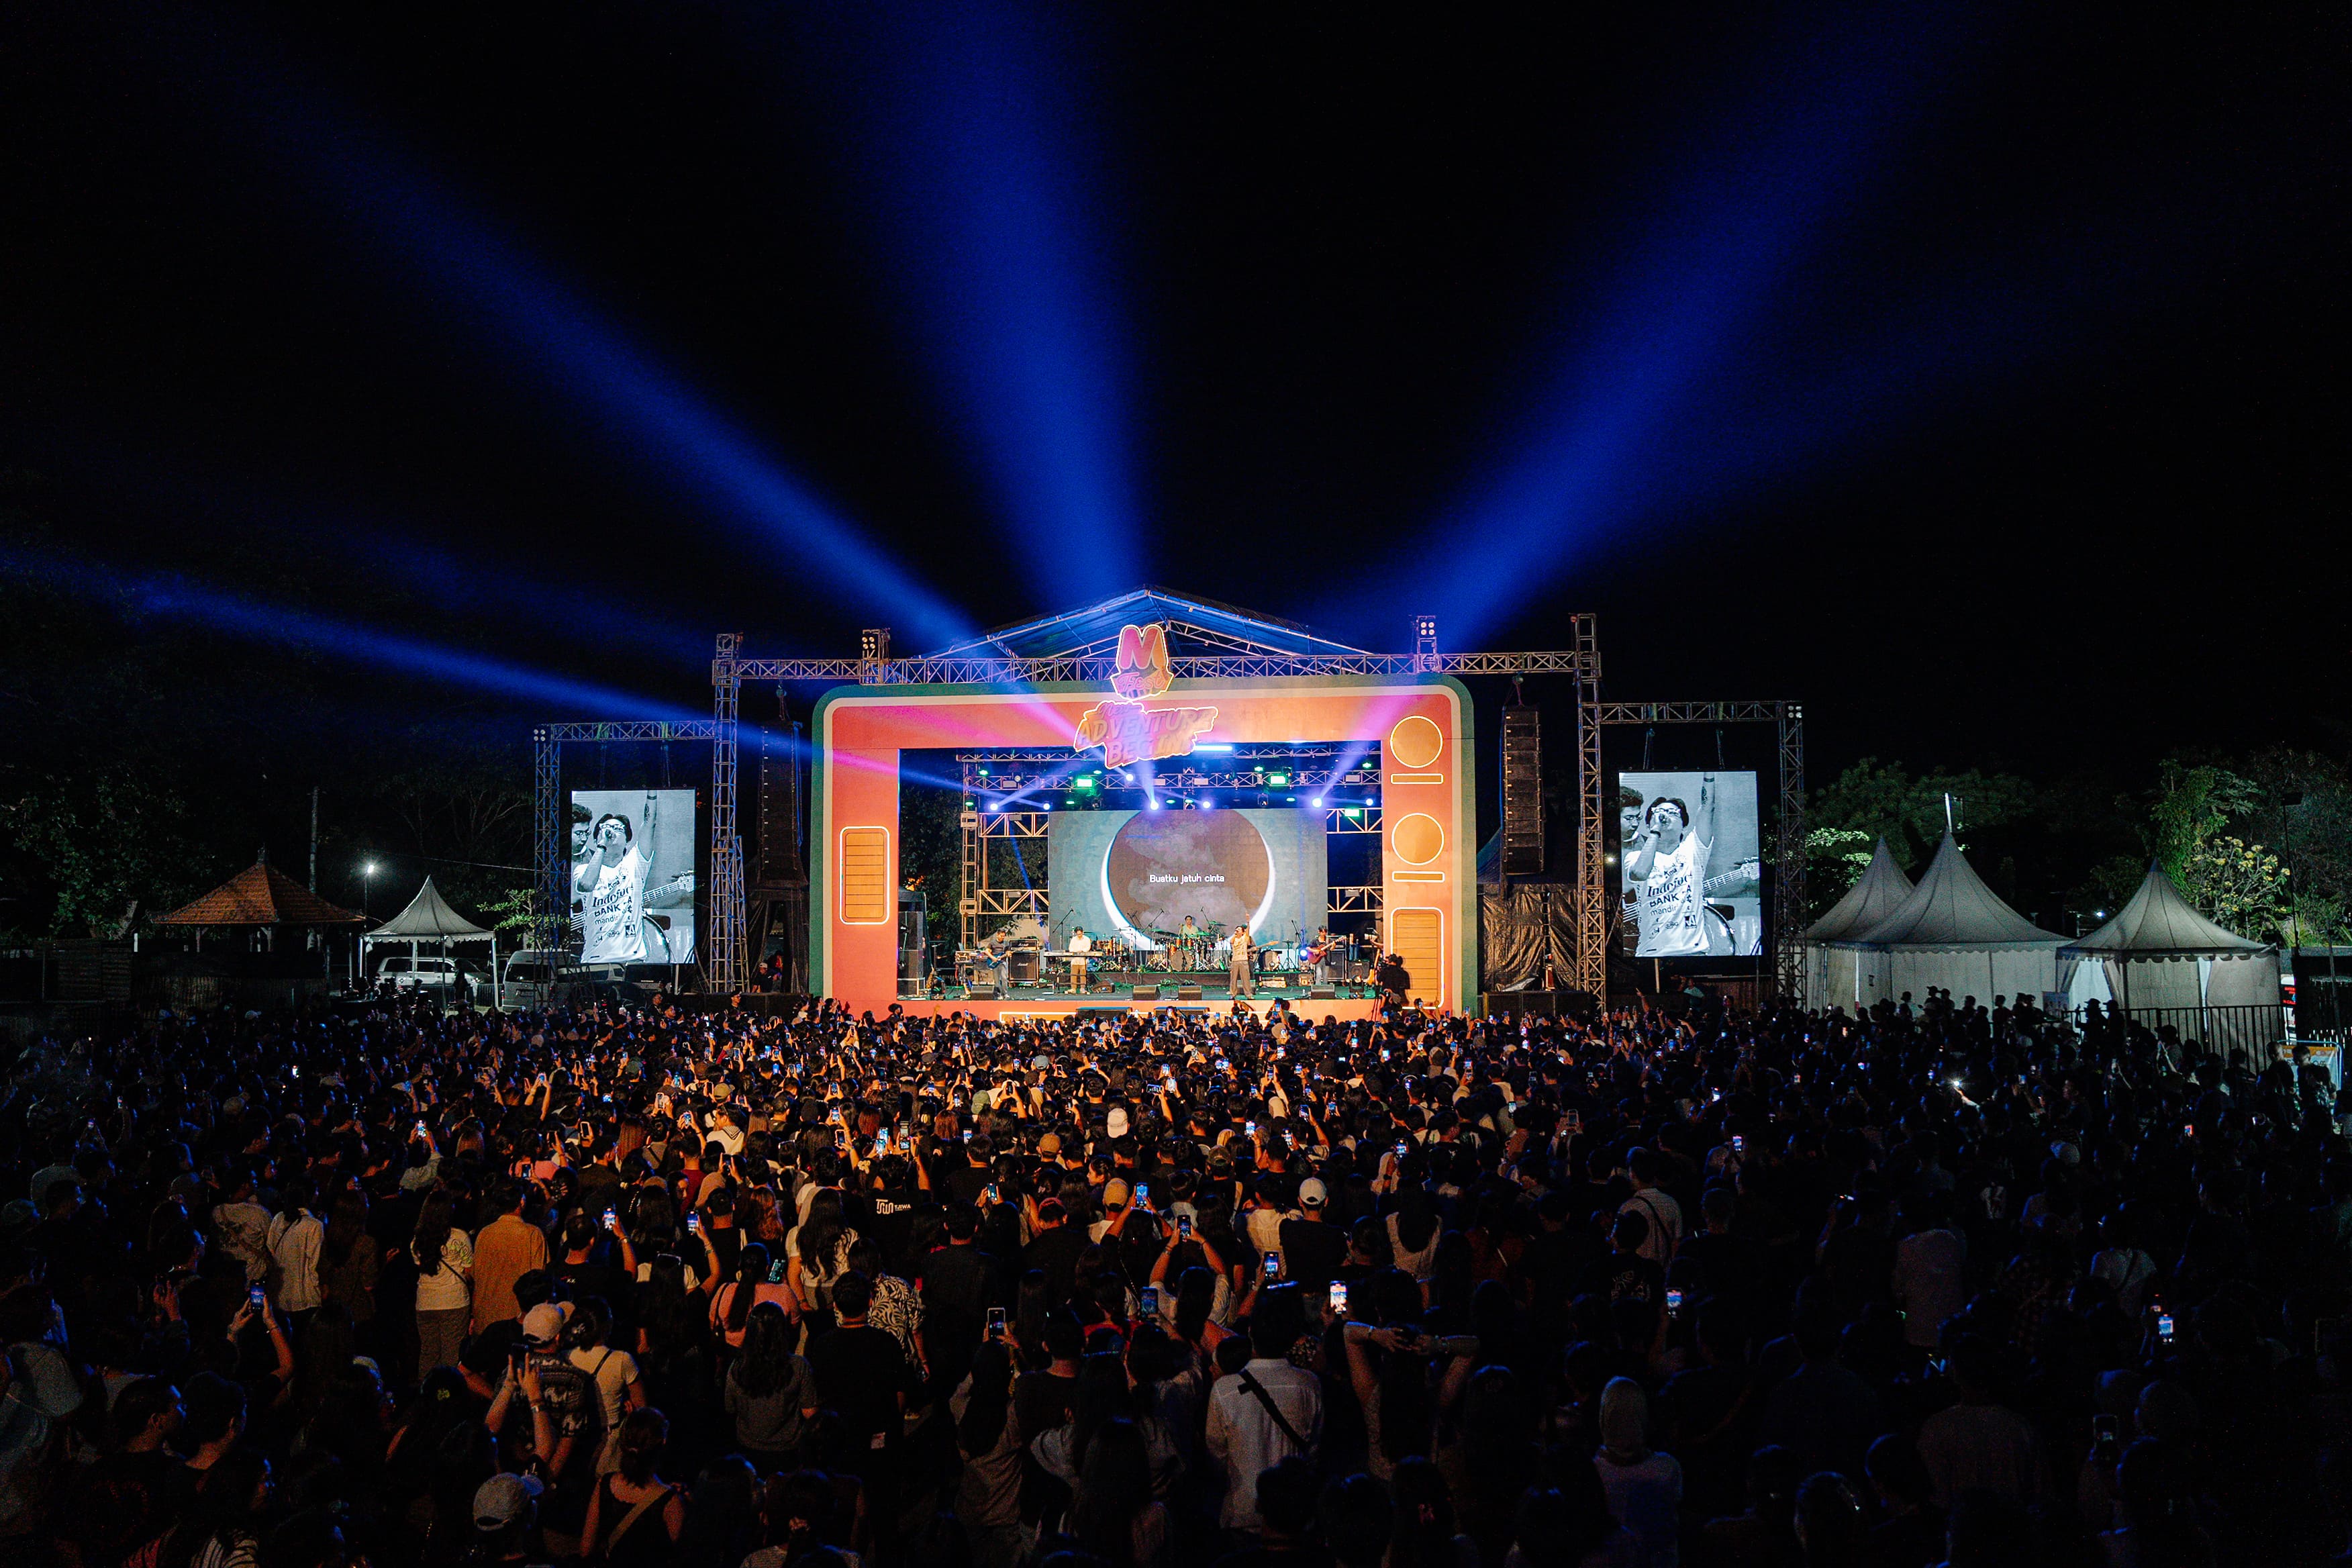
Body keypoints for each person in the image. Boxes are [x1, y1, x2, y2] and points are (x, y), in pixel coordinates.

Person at [1625, 775, 1716, 958]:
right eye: (1659, 812)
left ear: (1684, 827)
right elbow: (1640, 873)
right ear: (1649, 824)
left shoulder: (1693, 849)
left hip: (1693, 952)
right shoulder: (1634, 857)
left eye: (1673, 813)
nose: (1665, 816)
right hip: (1650, 953)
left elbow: (1708, 808)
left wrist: (1709, 775)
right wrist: (1656, 831)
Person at [580, 1408, 685, 1567]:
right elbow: (683, 1557)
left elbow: (586, 1550)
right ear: (663, 1442)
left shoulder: (605, 1484)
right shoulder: (670, 1502)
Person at [575, 800, 656, 966]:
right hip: (595, 959)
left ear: (628, 841)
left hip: (632, 960)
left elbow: (650, 823)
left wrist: (652, 792)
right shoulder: (582, 869)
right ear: (596, 839)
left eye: (619, 829)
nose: (611, 831)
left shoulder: (635, 863)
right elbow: (586, 885)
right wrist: (602, 846)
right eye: (606, 828)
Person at [410, 1189, 473, 1372]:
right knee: (452, 1353)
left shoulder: (417, 1241)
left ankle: (426, 1386)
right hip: (454, 1300)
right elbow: (469, 1270)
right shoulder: (460, 1237)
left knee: (428, 1352)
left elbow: (419, 1265)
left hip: (425, 1301)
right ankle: (449, 1388)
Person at [1228, 924, 1257, 999]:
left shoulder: (1245, 938)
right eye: (1237, 929)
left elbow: (1248, 931)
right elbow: (1231, 942)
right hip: (1235, 961)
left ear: (1243, 932)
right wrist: (1235, 935)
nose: (1237, 930)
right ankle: (1233, 994)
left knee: (1246, 979)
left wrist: (1248, 922)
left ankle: (1248, 994)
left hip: (1243, 960)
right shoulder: (1234, 939)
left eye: (1239, 929)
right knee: (1233, 979)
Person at [1069, 928, 1094, 995]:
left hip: (1082, 959)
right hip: (1075, 959)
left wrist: (1082, 951)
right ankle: (1073, 988)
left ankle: (1082, 988)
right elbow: (1070, 948)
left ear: (1082, 932)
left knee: (1083, 975)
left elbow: (1088, 947)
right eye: (1078, 934)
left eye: (1080, 934)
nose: (1079, 935)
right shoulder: (1074, 939)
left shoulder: (1087, 939)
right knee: (1073, 974)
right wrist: (1076, 951)